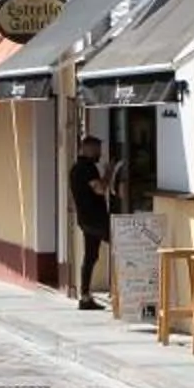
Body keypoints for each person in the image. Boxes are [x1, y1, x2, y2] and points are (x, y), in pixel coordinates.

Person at [69, 134, 116, 312]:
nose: (100, 153)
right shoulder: (87, 168)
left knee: (90, 257)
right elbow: (100, 189)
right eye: (97, 149)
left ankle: (85, 296)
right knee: (123, 246)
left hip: (86, 219)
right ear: (87, 148)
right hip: (96, 219)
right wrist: (109, 172)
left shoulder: (76, 168)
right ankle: (124, 291)